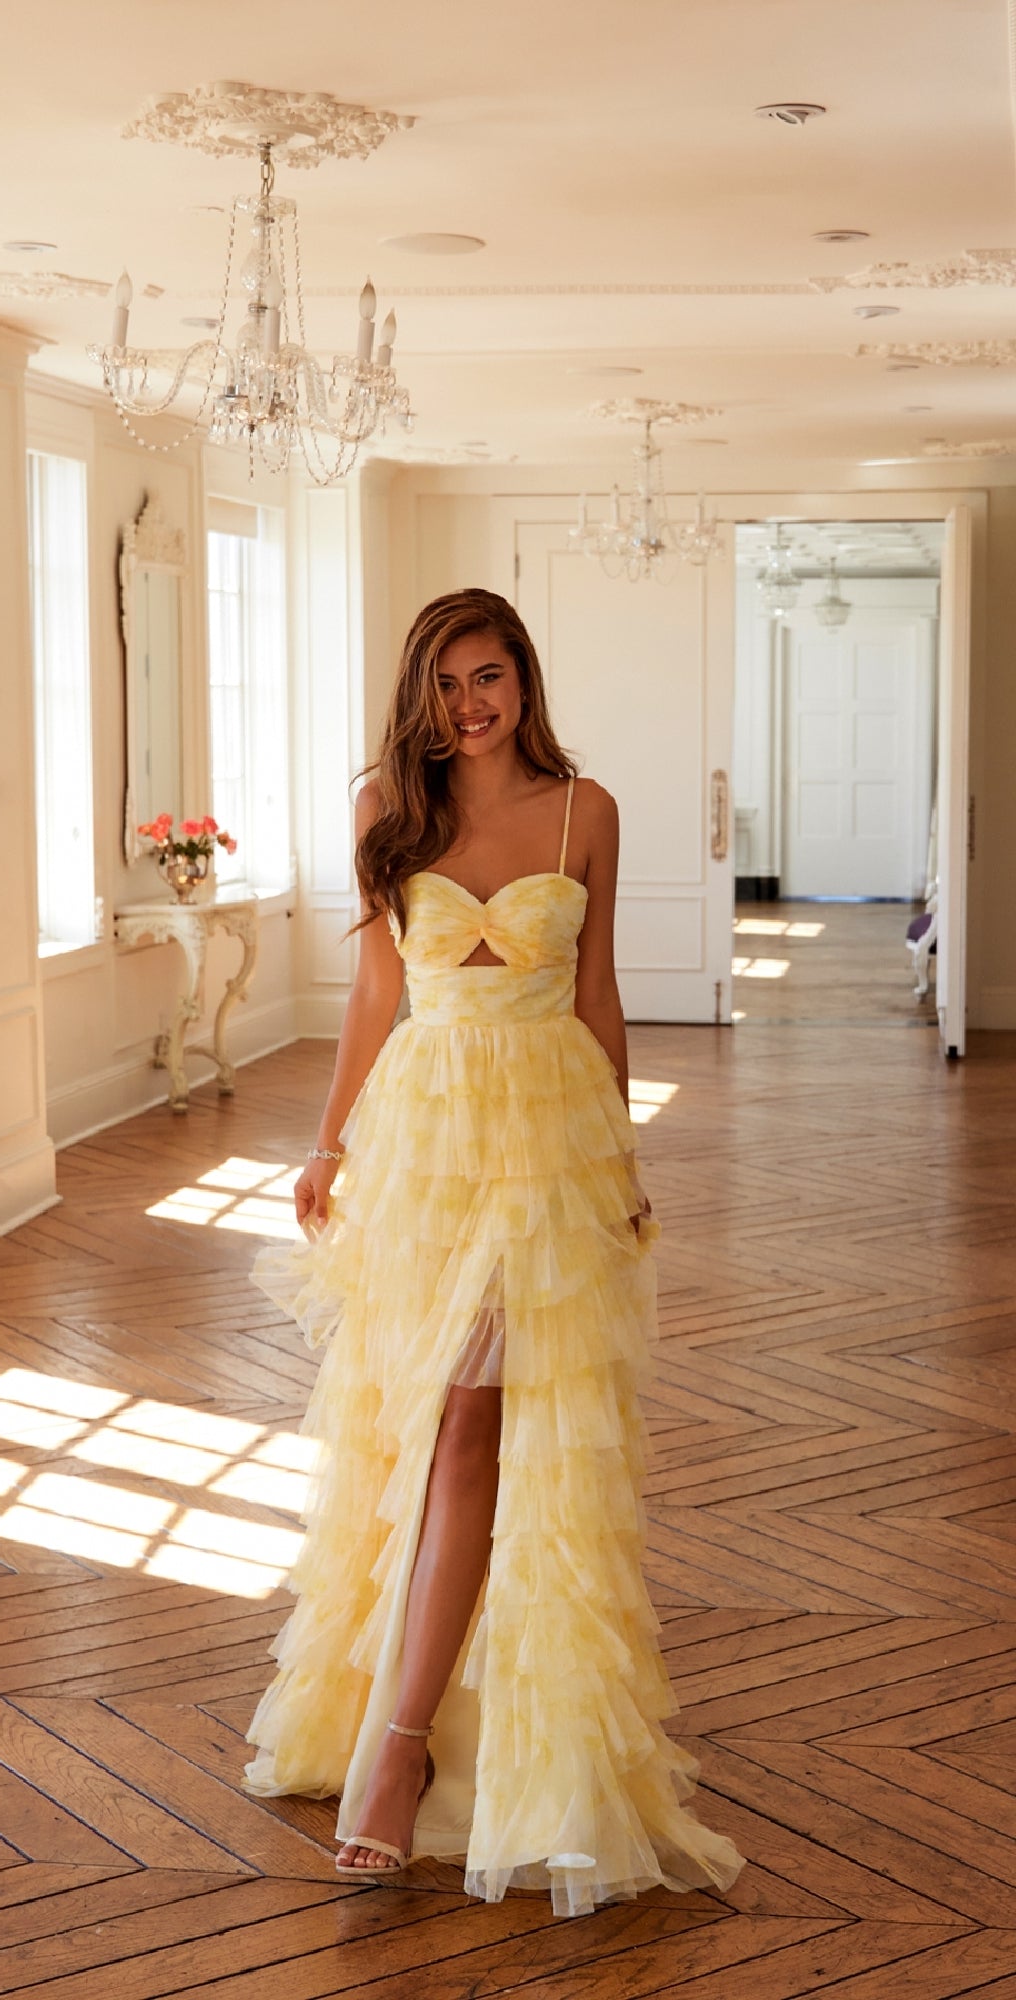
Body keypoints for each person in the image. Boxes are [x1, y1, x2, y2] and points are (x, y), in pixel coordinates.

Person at [244, 588, 745, 1918]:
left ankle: (403, 1749)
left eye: (490, 677)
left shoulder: (587, 813)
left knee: (480, 1425)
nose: (470, 705)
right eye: (448, 683)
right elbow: (375, 992)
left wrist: (619, 1161)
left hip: (549, 1141)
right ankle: (411, 1717)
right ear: (422, 695)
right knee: (425, 1427)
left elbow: (597, 995)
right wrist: (326, 1144)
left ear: (524, 681)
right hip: (426, 1143)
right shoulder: (385, 809)